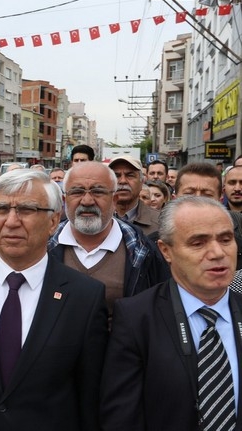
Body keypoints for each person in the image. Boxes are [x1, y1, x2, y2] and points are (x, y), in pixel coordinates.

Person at [0, 170, 108, 430]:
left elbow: (89, 392)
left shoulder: (84, 296)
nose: (11, 221)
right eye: (1, 209)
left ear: (54, 221)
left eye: (26, 210)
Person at [100, 196, 242, 430]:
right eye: (198, 243)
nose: (217, 252)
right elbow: (122, 418)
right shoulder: (137, 318)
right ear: (166, 251)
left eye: (226, 239)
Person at [47, 162, 170, 318]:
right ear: (65, 199)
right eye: (77, 192)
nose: (87, 201)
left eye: (98, 192)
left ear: (115, 199)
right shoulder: (42, 246)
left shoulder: (143, 252)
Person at [109, 155, 160, 235]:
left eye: (130, 175)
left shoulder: (161, 222)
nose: (122, 181)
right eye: (116, 176)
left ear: (142, 181)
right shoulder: (96, 219)